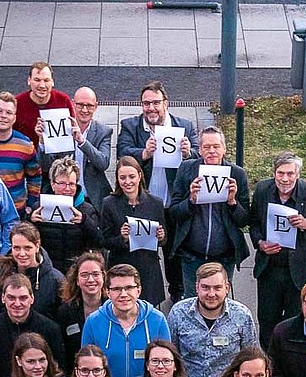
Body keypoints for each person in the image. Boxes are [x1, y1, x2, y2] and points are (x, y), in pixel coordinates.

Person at [116, 80, 197, 298]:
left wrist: (189, 153)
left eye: (155, 103)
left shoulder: (185, 126)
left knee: (174, 252)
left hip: (171, 204)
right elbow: (122, 153)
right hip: (143, 205)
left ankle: (177, 292)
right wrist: (144, 154)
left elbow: (200, 157)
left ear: (166, 103)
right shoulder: (130, 126)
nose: (151, 108)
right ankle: (142, 292)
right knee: (143, 252)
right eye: (146, 103)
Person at [249, 151, 306, 337]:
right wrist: (260, 243)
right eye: (281, 173)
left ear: (298, 174)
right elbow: (253, 223)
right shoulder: (262, 191)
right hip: (269, 269)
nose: (285, 179)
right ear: (274, 173)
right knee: (267, 320)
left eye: (290, 174)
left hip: (299, 272)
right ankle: (268, 355)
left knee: (294, 323)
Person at [168, 126, 250, 292]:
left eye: (216, 146)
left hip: (224, 258)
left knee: (219, 300)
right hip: (192, 256)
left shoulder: (237, 174)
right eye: (206, 147)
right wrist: (191, 200)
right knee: (193, 300)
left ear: (224, 149)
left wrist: (232, 202)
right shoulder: (186, 169)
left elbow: (244, 220)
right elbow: (174, 213)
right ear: (199, 150)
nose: (212, 151)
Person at [166, 263, 258, 377]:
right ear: (197, 287)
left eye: (217, 287)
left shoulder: (242, 315)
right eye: (205, 287)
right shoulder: (178, 313)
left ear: (227, 288)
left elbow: (250, 357)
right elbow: (171, 354)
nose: (211, 294)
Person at [80, 264, 171, 377]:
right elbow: (86, 364)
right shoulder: (93, 322)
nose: (123, 294)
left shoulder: (157, 320)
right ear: (107, 292)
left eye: (129, 288)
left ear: (138, 290)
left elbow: (166, 364)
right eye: (117, 289)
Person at [0, 274, 66, 377]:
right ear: (3, 298)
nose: (17, 303)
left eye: (23, 298)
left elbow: (58, 370)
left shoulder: (50, 329)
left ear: (32, 298)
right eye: (11, 298)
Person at [97, 157, 167, 306]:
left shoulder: (156, 203)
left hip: (148, 270)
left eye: (131, 176)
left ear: (140, 176)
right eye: (122, 178)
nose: (127, 181)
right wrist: (122, 238)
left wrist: (161, 237)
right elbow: (105, 240)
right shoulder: (109, 203)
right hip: (121, 268)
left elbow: (164, 238)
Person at [32, 157, 102, 275]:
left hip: (76, 272)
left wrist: (84, 222)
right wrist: (31, 221)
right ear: (52, 184)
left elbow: (99, 242)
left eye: (72, 184)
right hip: (47, 270)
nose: (67, 189)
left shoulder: (87, 209)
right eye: (62, 183)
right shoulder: (38, 208)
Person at [0, 222, 63, 320]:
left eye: (27, 248)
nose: (22, 253)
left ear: (37, 246)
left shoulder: (56, 280)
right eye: (16, 248)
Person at [0, 91, 42, 217]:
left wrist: (31, 204)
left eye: (8, 112)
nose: (3, 116)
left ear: (14, 118)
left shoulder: (25, 145)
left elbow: (35, 176)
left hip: (16, 213)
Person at [14, 61, 72, 165]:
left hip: (57, 164)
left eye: (46, 80)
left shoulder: (63, 100)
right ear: (29, 80)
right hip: (24, 163)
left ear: (52, 82)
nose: (42, 85)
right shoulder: (17, 103)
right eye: (37, 80)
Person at [50, 251, 105, 363]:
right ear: (77, 281)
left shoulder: (114, 309)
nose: (91, 280)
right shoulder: (65, 312)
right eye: (84, 275)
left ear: (103, 277)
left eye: (95, 274)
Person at [69, 86, 114, 203]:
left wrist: (82, 142)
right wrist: (42, 143)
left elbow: (103, 163)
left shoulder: (103, 131)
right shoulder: (62, 129)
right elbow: (47, 165)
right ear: (73, 104)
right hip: (65, 196)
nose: (85, 110)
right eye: (80, 105)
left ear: (96, 106)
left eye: (89, 106)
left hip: (93, 199)